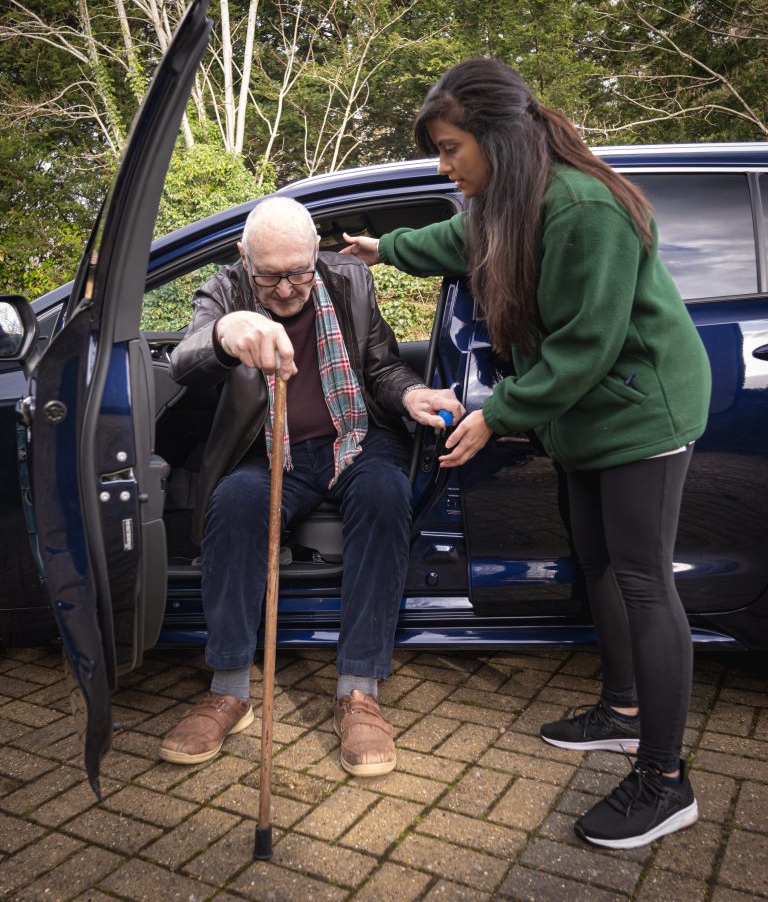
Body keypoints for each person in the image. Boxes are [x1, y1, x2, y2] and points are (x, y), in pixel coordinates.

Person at [342, 58, 712, 847]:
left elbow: (587, 346)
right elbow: (455, 238)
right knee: (598, 558)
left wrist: (495, 412)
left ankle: (666, 779)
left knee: (645, 578)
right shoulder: (508, 200)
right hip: (587, 416)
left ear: (497, 137)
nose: (443, 166)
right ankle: (621, 710)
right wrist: (385, 248)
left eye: (449, 149)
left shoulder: (585, 210)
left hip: (642, 407)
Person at [161, 196, 463, 777]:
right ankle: (228, 688)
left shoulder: (348, 278)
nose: (285, 287)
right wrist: (228, 331)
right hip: (273, 448)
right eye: (269, 275)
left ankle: (358, 690)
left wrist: (408, 394)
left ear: (315, 255)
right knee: (233, 502)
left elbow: (380, 365)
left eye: (298, 271)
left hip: (356, 436)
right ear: (243, 258)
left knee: (385, 494)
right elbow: (185, 361)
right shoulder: (224, 290)